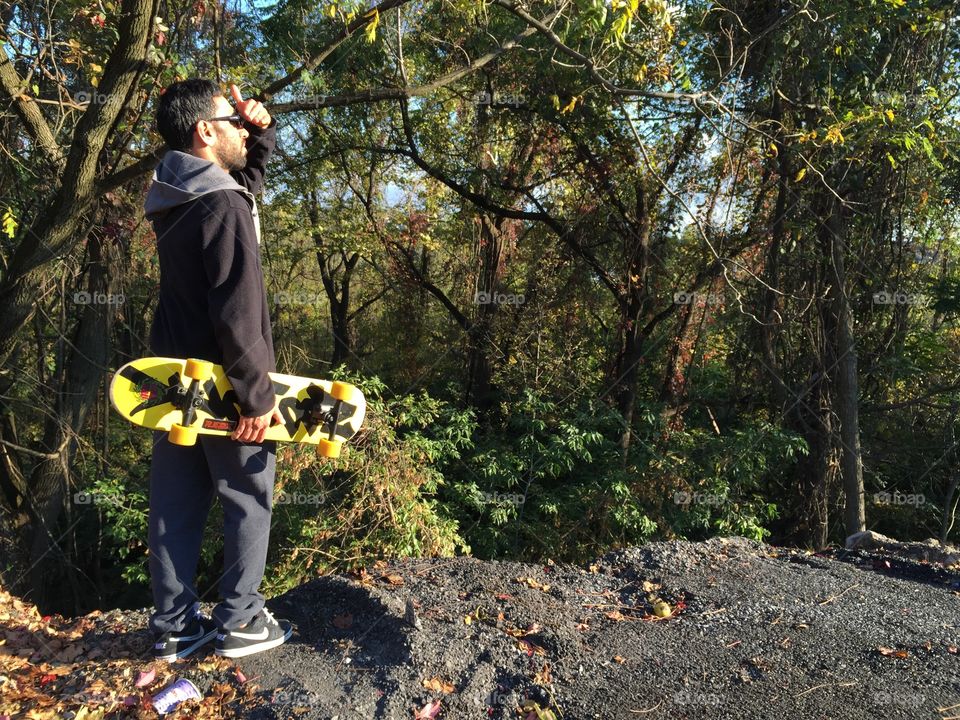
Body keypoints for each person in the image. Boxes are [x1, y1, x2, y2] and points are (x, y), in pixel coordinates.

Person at [142, 78, 291, 660]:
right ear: (206, 131)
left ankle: (175, 628)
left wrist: (260, 134)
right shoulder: (221, 205)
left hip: (175, 380)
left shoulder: (177, 195)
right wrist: (257, 398)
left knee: (175, 503)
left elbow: (241, 189)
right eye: (232, 121)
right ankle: (242, 621)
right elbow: (238, 310)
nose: (241, 129)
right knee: (248, 495)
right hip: (225, 385)